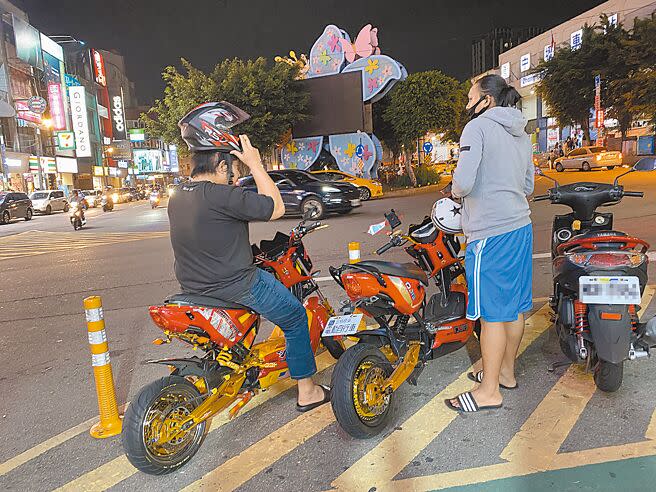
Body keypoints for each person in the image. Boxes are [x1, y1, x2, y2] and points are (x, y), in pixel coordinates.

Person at [168, 101, 330, 412]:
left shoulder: (177, 196)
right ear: (219, 164)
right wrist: (255, 162)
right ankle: (308, 392)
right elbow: (277, 207)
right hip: (236, 285)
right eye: (233, 168)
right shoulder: (222, 196)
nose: (234, 175)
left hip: (192, 286)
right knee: (295, 316)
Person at [444, 74, 534, 413]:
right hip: (519, 227)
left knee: (492, 316)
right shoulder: (522, 134)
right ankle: (506, 372)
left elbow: (464, 183)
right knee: (513, 308)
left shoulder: (477, 128)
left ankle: (489, 390)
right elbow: (527, 184)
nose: (468, 105)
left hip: (490, 235)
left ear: (487, 100)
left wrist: (455, 189)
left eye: (470, 99)